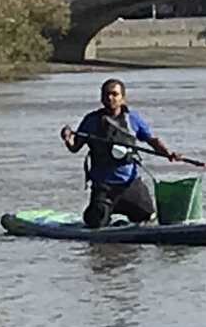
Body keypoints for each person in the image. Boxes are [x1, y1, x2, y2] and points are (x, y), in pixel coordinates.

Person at [60, 78, 176, 227]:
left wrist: (168, 154)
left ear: (122, 97)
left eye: (115, 94)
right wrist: (67, 138)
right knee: (95, 223)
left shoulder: (133, 118)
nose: (110, 98)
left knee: (148, 217)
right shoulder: (91, 120)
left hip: (130, 184)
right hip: (104, 186)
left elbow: (151, 140)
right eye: (106, 94)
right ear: (101, 97)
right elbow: (75, 147)